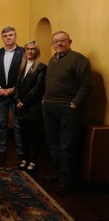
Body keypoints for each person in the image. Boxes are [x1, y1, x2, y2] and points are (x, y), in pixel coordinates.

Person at [42, 31, 93, 195]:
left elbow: (86, 85)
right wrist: (44, 99)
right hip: (49, 107)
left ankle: (67, 182)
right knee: (53, 143)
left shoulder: (78, 59)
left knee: (67, 146)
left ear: (70, 41)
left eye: (62, 40)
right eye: (55, 41)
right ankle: (59, 173)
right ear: (52, 44)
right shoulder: (52, 60)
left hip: (68, 109)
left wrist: (74, 103)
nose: (59, 43)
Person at [13, 41, 47, 173]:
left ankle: (33, 161)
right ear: (24, 51)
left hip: (33, 108)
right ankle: (24, 159)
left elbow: (37, 88)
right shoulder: (21, 66)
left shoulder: (41, 67)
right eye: (28, 49)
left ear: (37, 52)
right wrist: (17, 100)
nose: (30, 51)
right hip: (20, 107)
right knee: (23, 136)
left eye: (33, 49)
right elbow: (16, 85)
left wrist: (24, 102)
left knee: (34, 137)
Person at [0, 26, 24, 163]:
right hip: (0, 94)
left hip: (17, 95)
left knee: (18, 125)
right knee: (1, 124)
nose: (8, 38)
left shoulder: (23, 52)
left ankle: (20, 153)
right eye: (5, 36)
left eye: (11, 35)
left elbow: (25, 75)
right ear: (2, 38)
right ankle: (1, 151)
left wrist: (14, 89)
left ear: (15, 36)